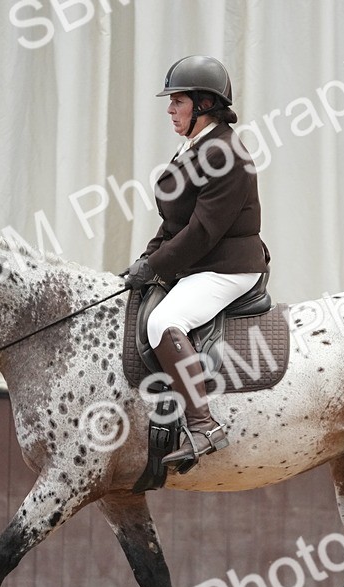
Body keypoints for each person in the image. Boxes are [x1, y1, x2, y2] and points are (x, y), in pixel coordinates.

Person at [125, 55, 269, 465]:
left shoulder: (226, 154)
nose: (170, 109)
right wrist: (146, 259)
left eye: (179, 101)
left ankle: (204, 425)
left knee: (162, 322)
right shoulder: (197, 146)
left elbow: (203, 231)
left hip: (228, 267)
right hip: (202, 261)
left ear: (204, 104)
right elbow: (175, 222)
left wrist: (155, 267)